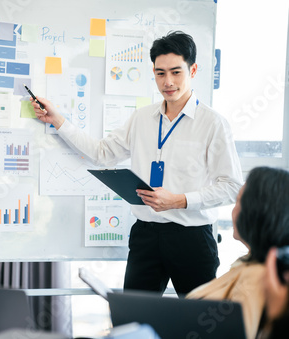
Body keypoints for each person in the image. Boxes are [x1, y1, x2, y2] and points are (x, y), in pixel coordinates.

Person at [30, 31, 243, 296]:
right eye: (160, 73)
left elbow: (232, 186)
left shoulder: (213, 123)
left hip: (191, 238)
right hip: (146, 235)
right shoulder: (142, 118)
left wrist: (179, 200)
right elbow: (102, 152)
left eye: (176, 72)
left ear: (193, 70)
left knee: (197, 325)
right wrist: (59, 121)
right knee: (134, 316)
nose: (168, 82)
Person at [186, 167, 289, 339]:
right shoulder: (249, 264)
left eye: (239, 201)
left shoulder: (257, 277)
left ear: (256, 213)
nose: (234, 210)